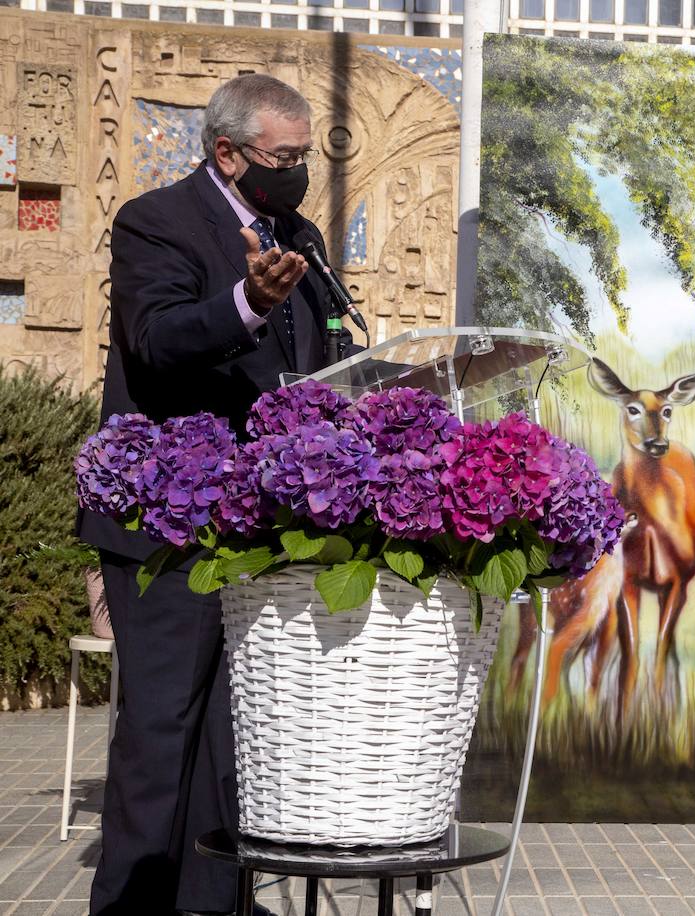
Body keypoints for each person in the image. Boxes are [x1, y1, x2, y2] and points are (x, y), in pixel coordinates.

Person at [77, 73, 353, 916]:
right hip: (171, 526)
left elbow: (327, 358)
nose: (297, 173)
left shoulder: (297, 234)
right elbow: (157, 341)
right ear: (227, 152)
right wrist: (245, 301)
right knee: (160, 742)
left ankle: (212, 907)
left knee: (236, 752)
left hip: (263, 530)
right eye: (284, 157)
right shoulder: (155, 222)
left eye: (307, 158)